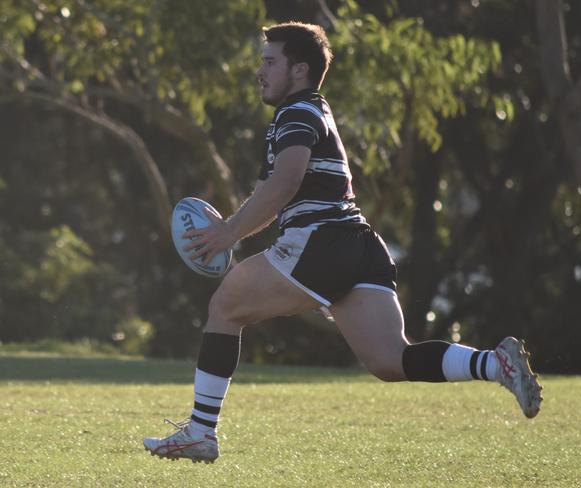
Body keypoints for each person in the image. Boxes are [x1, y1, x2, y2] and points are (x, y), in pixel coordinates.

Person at [143, 22, 542, 463]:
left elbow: (285, 184)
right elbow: (275, 195)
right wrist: (236, 229)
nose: (260, 70)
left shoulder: (295, 113)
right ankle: (494, 363)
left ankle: (200, 432)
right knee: (391, 360)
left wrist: (227, 234)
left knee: (224, 306)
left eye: (269, 61)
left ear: (298, 69)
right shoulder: (311, 111)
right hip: (359, 245)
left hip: (321, 241)